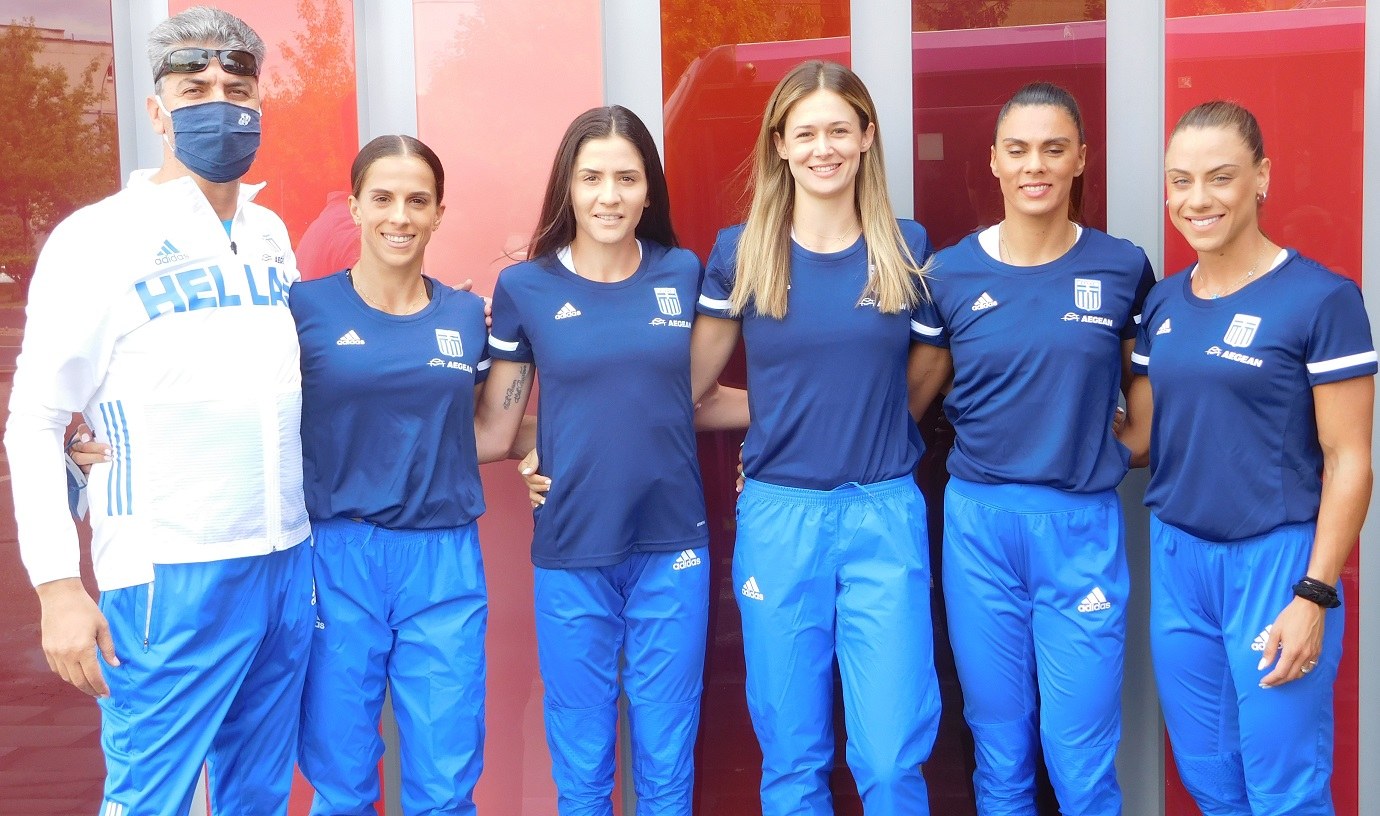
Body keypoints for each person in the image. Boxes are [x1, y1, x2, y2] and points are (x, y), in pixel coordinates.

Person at [4, 7, 313, 815]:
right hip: (168, 573)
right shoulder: (97, 238)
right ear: (157, 110)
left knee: (257, 795)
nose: (219, 103)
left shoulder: (271, 232)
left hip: (283, 560)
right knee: (150, 798)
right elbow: (35, 418)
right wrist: (57, 585)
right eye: (194, 88)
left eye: (236, 90)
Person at [690, 60, 941, 815]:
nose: (822, 148)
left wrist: (862, 420)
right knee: (793, 759)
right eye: (805, 133)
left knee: (891, 759)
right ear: (780, 144)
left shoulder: (907, 246)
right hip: (780, 519)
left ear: (866, 137)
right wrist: (779, 416)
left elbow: (925, 375)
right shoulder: (742, 251)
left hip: (883, 514)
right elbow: (690, 395)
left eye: (838, 130)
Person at [489, 105, 745, 816]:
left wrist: (801, 420)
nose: (609, 195)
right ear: (568, 187)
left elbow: (687, 398)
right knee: (582, 770)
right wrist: (541, 446)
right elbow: (500, 423)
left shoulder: (683, 273)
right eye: (592, 177)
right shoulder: (526, 288)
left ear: (648, 189)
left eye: (627, 178)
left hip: (672, 545)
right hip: (572, 549)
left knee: (668, 763)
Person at [909, 82, 1155, 815]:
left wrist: (1100, 452)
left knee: (1080, 756)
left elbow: (1147, 415)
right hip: (979, 528)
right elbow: (909, 404)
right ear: (993, 160)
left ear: (1081, 158)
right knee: (1000, 747)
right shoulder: (949, 273)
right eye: (1017, 150)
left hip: (1079, 529)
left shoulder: (1122, 268)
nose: (1034, 166)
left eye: (1053, 149)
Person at [1124, 100, 1374, 815]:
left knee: (1283, 788)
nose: (1197, 199)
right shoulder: (1163, 303)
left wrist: (1314, 595)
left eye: (1220, 177)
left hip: (1275, 565)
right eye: (1180, 181)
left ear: (1261, 178)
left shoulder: (1322, 299)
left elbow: (1350, 460)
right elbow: (1139, 439)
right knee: (1209, 778)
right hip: (1179, 561)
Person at [292, 135, 520, 816]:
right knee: (341, 779)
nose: (400, 216)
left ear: (439, 213)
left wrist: (579, 444)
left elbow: (487, 431)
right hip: (338, 555)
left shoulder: (465, 316)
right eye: (383, 198)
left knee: (446, 782)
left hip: (442, 558)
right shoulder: (304, 309)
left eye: (417, 200)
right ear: (355, 207)